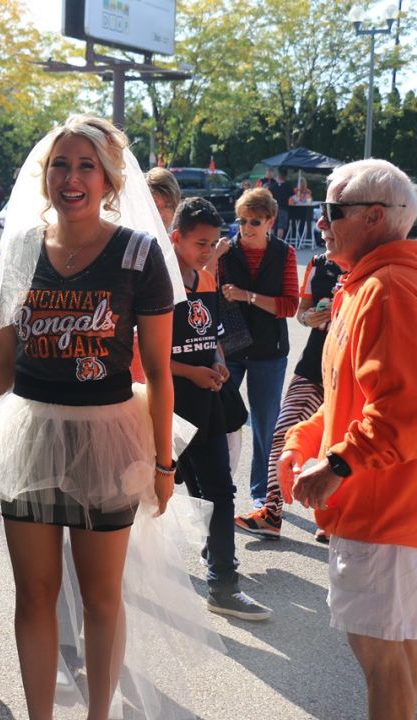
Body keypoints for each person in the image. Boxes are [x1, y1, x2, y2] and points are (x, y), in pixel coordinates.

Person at [0, 114, 216, 720]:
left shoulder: (138, 254)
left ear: (109, 181)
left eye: (86, 166)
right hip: (28, 435)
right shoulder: (23, 246)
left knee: (103, 597)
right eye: (61, 164)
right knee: (34, 596)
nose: (71, 177)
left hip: (109, 437)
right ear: (44, 174)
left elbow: (159, 373)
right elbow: (3, 357)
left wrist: (164, 463)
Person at [281, 158, 417, 720]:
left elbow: (403, 410)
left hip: (385, 502)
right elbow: (348, 393)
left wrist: (336, 462)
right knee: (395, 645)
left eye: (332, 211)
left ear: (374, 217)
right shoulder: (373, 283)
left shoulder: (389, 288)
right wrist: (305, 440)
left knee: (380, 652)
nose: (321, 223)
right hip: (392, 498)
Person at [167, 197, 272, 620]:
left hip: (205, 402)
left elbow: (210, 336)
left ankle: (223, 584)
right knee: (143, 495)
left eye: (213, 243)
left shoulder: (207, 280)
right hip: (163, 405)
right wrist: (188, 374)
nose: (208, 251)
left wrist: (218, 363)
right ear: (175, 238)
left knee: (220, 492)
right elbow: (145, 353)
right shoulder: (157, 280)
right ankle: (112, 576)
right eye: (199, 243)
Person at [235, 250, 343, 542]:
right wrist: (311, 317)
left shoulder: (371, 266)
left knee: (341, 443)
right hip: (313, 366)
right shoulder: (319, 263)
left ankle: (336, 517)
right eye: (324, 219)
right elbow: (302, 313)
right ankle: (271, 512)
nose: (323, 226)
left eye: (333, 217)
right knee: (283, 432)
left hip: (350, 372)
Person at [217, 187, 299, 507]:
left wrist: (246, 295)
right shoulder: (226, 251)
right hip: (231, 347)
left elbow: (289, 306)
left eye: (254, 221)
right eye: (241, 221)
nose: (247, 228)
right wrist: (214, 256)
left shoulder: (285, 253)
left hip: (269, 350)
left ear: (270, 221)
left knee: (266, 426)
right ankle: (218, 490)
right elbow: (201, 285)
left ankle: (262, 495)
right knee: (220, 419)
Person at [267, 169, 295, 240]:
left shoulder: (271, 186)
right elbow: (294, 198)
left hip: (273, 208)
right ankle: (279, 242)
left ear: (278, 176)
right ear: (285, 176)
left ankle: (271, 241)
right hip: (283, 208)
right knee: (281, 227)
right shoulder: (288, 186)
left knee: (272, 225)